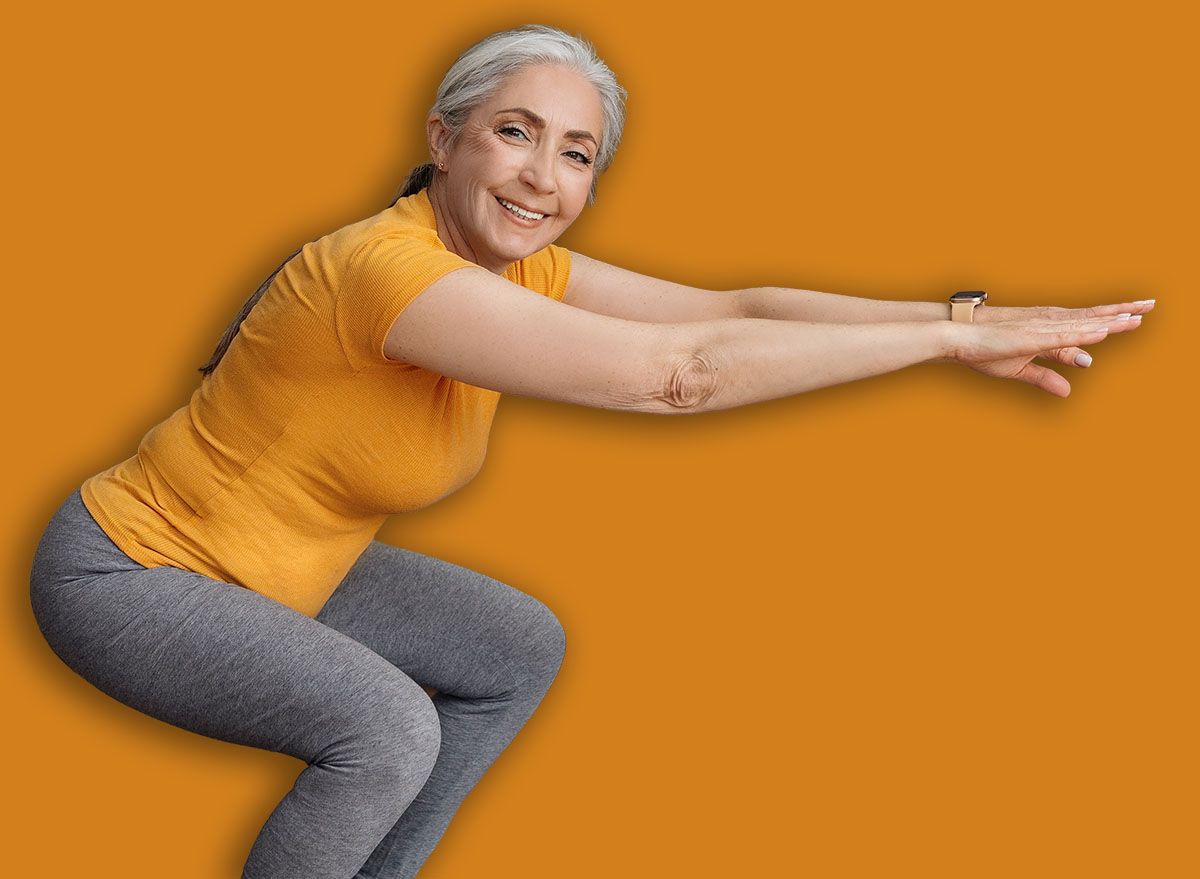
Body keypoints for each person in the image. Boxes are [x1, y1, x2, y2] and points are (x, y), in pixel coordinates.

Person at [29, 23, 1151, 879]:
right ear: (445, 139)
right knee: (384, 726)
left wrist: (956, 328)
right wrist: (934, 350)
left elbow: (733, 304)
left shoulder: (513, 266)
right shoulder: (393, 273)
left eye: (577, 153)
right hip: (132, 576)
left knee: (514, 646)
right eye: (515, 133)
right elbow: (681, 374)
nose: (541, 178)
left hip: (284, 564)